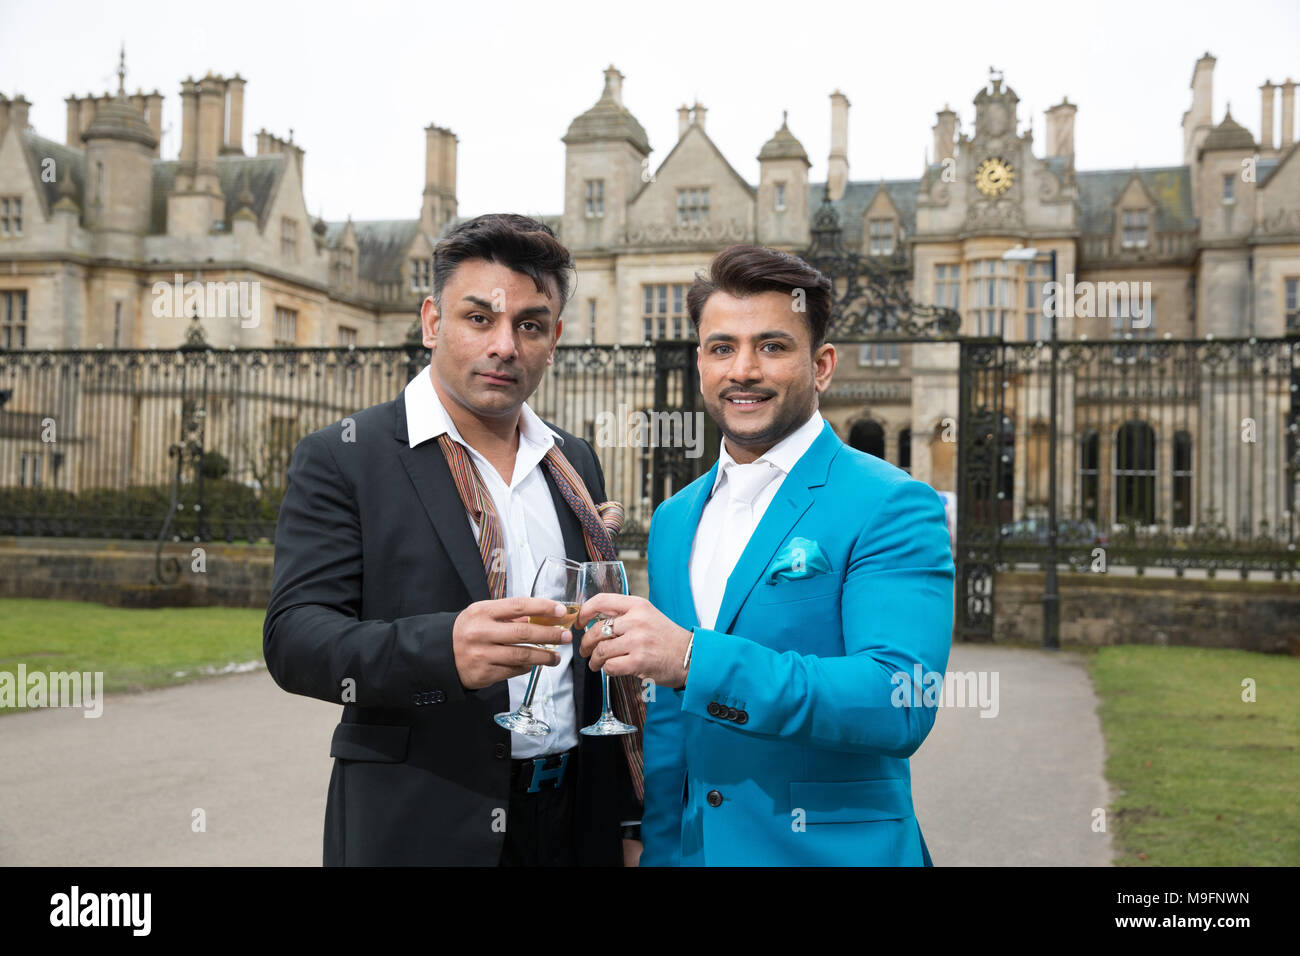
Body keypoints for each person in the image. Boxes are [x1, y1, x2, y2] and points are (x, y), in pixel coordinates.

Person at [264, 213, 641, 866]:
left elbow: (593, 662)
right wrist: (441, 649)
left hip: (574, 820)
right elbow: (294, 639)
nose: (505, 345)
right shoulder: (345, 456)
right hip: (423, 824)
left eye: (529, 325)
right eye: (479, 318)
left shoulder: (573, 459)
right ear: (433, 323)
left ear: (553, 339)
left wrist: (625, 820)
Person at [578, 244, 954, 866]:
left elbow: (899, 700)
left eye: (773, 347)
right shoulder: (675, 519)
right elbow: (673, 720)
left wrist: (692, 657)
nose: (743, 369)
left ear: (822, 365)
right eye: (722, 347)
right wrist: (655, 842)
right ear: (700, 362)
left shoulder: (891, 503)